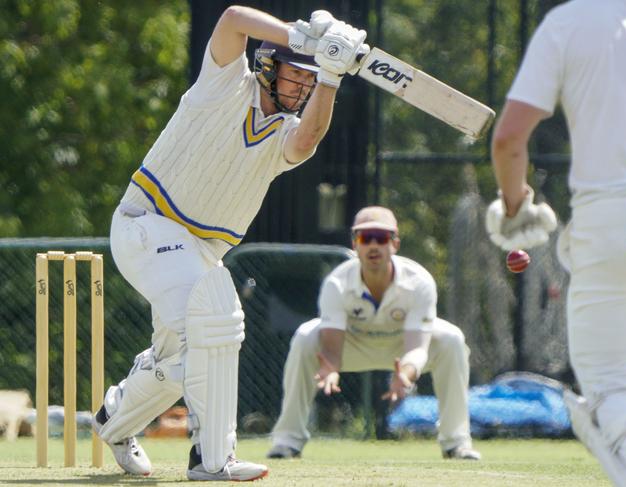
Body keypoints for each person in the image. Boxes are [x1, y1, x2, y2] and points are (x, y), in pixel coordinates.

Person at [90, 6, 369, 482]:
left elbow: (310, 138)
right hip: (147, 224)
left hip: (197, 253)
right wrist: (301, 38)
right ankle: (212, 460)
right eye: (296, 78)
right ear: (268, 67)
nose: (302, 90)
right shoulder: (224, 83)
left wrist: (330, 76)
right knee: (215, 321)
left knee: (181, 355)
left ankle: (114, 420)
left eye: (309, 83)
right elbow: (233, 18)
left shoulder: (284, 135)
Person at [486, 1, 626, 485]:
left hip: (618, 213)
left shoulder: (569, 24)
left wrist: (516, 208)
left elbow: (509, 139)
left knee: (611, 395)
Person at [267, 206, 481, 461]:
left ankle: (456, 443)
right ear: (354, 244)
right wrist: (330, 368)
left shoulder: (419, 282)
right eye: (365, 238)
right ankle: (287, 441)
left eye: (381, 238)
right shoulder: (337, 283)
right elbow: (332, 348)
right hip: (353, 345)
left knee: (452, 338)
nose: (373, 245)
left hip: (402, 350)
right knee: (305, 336)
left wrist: (406, 373)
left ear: (395, 244)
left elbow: (417, 347)